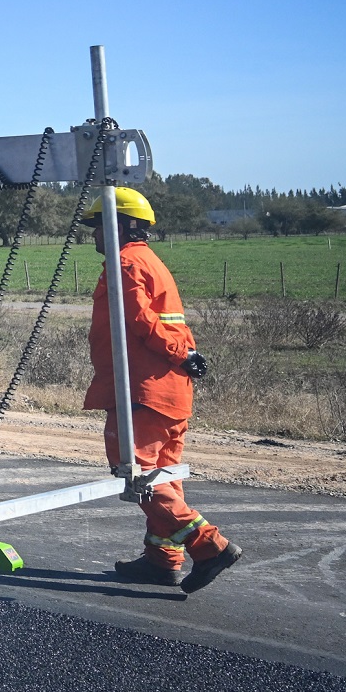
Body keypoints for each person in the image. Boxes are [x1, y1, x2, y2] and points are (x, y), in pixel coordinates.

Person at [84, 186, 242, 592]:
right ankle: (162, 558)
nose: (94, 236)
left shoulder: (125, 264)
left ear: (122, 226)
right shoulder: (149, 261)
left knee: (139, 477)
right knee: (162, 479)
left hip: (141, 392)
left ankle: (209, 546)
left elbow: (139, 321)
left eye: (99, 226)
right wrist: (185, 354)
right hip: (169, 391)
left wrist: (179, 352)